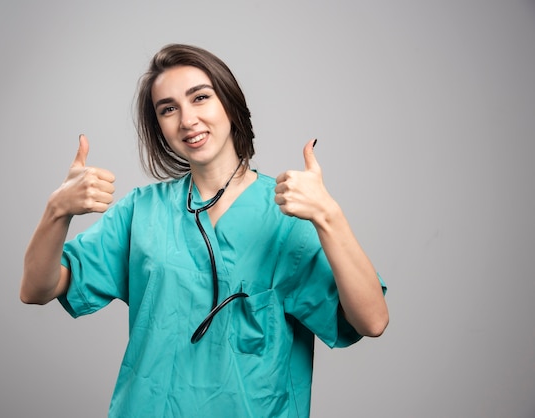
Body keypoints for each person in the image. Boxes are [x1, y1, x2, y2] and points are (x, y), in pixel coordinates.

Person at [20, 43, 388, 418]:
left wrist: (329, 215)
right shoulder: (142, 212)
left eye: (200, 98)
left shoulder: (286, 214)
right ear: (159, 127)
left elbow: (372, 321)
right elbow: (37, 288)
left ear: (229, 102)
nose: (187, 120)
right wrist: (56, 211)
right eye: (168, 109)